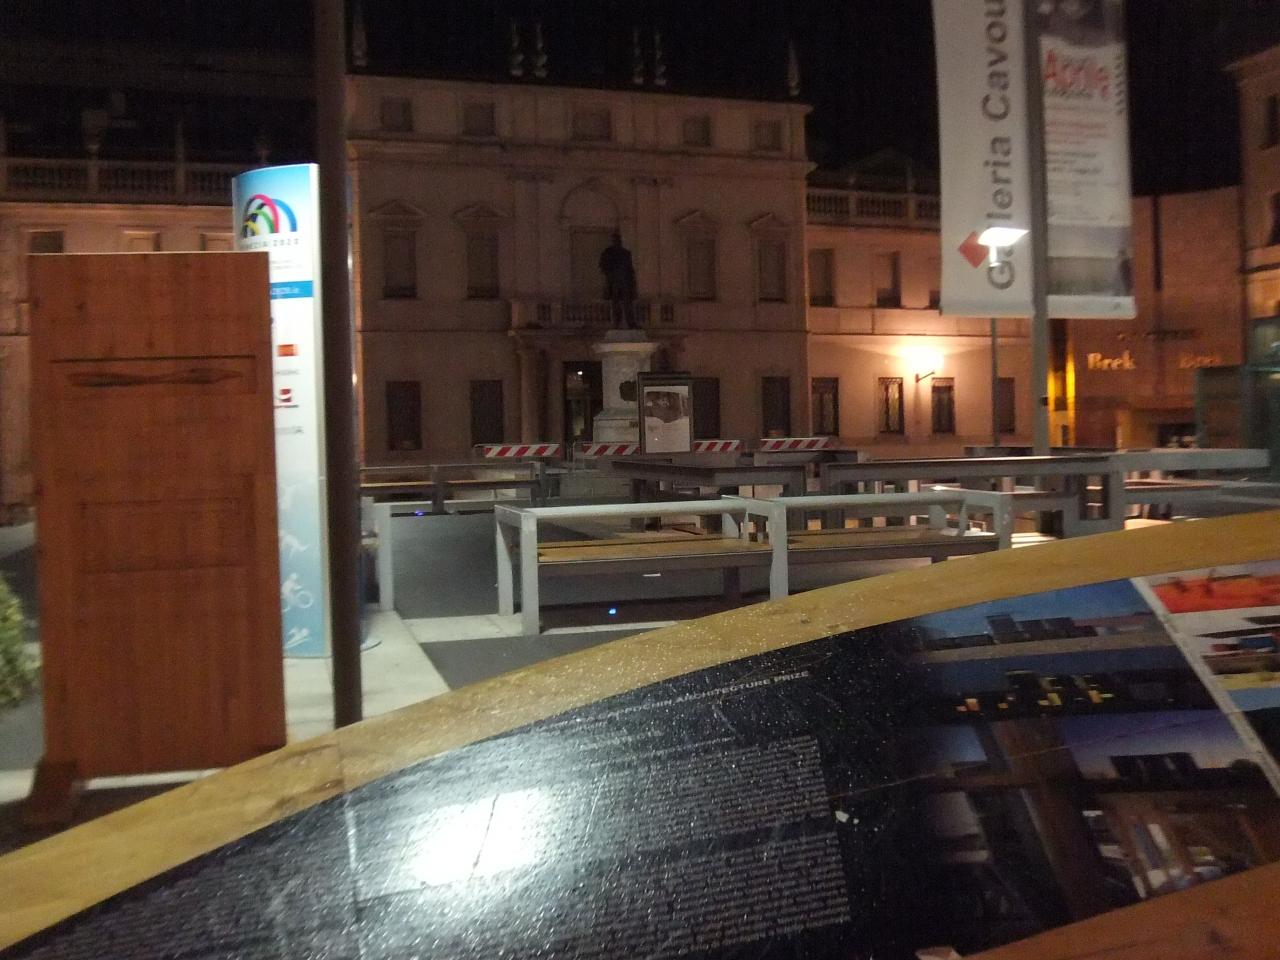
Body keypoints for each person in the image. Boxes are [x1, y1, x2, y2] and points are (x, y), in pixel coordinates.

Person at [598, 231, 638, 329]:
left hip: (625, 282)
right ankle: (617, 323)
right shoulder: (608, 253)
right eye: (615, 240)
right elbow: (602, 267)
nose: (617, 242)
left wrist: (633, 285)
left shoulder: (626, 253)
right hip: (614, 282)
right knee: (616, 304)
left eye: (618, 240)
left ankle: (630, 323)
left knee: (627, 304)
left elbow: (630, 270)